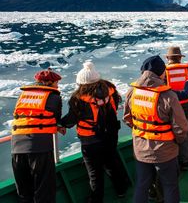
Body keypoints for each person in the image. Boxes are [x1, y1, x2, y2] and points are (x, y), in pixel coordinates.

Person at [60, 61, 128, 203]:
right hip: (110, 135)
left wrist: (60, 124)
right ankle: (121, 190)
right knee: (112, 163)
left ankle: (96, 199)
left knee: (94, 172)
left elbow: (71, 120)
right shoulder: (111, 90)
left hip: (90, 140)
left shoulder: (78, 99)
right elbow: (117, 104)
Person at [123, 55, 188, 203]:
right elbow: (180, 126)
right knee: (170, 185)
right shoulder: (168, 95)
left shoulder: (132, 92)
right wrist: (178, 140)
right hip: (165, 150)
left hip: (140, 148)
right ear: (161, 73)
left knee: (142, 184)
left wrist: (141, 131)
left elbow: (127, 118)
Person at [11, 68, 62, 203]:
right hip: (40, 147)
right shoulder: (54, 97)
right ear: (49, 82)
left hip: (17, 146)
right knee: (44, 190)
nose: (58, 86)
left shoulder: (23, 96)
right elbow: (56, 118)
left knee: (24, 192)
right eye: (56, 82)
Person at [165, 46, 188, 171]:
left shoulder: (163, 73)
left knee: (170, 137)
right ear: (180, 58)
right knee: (187, 136)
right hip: (187, 110)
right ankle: (185, 162)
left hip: (169, 112)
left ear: (168, 58)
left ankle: (172, 163)